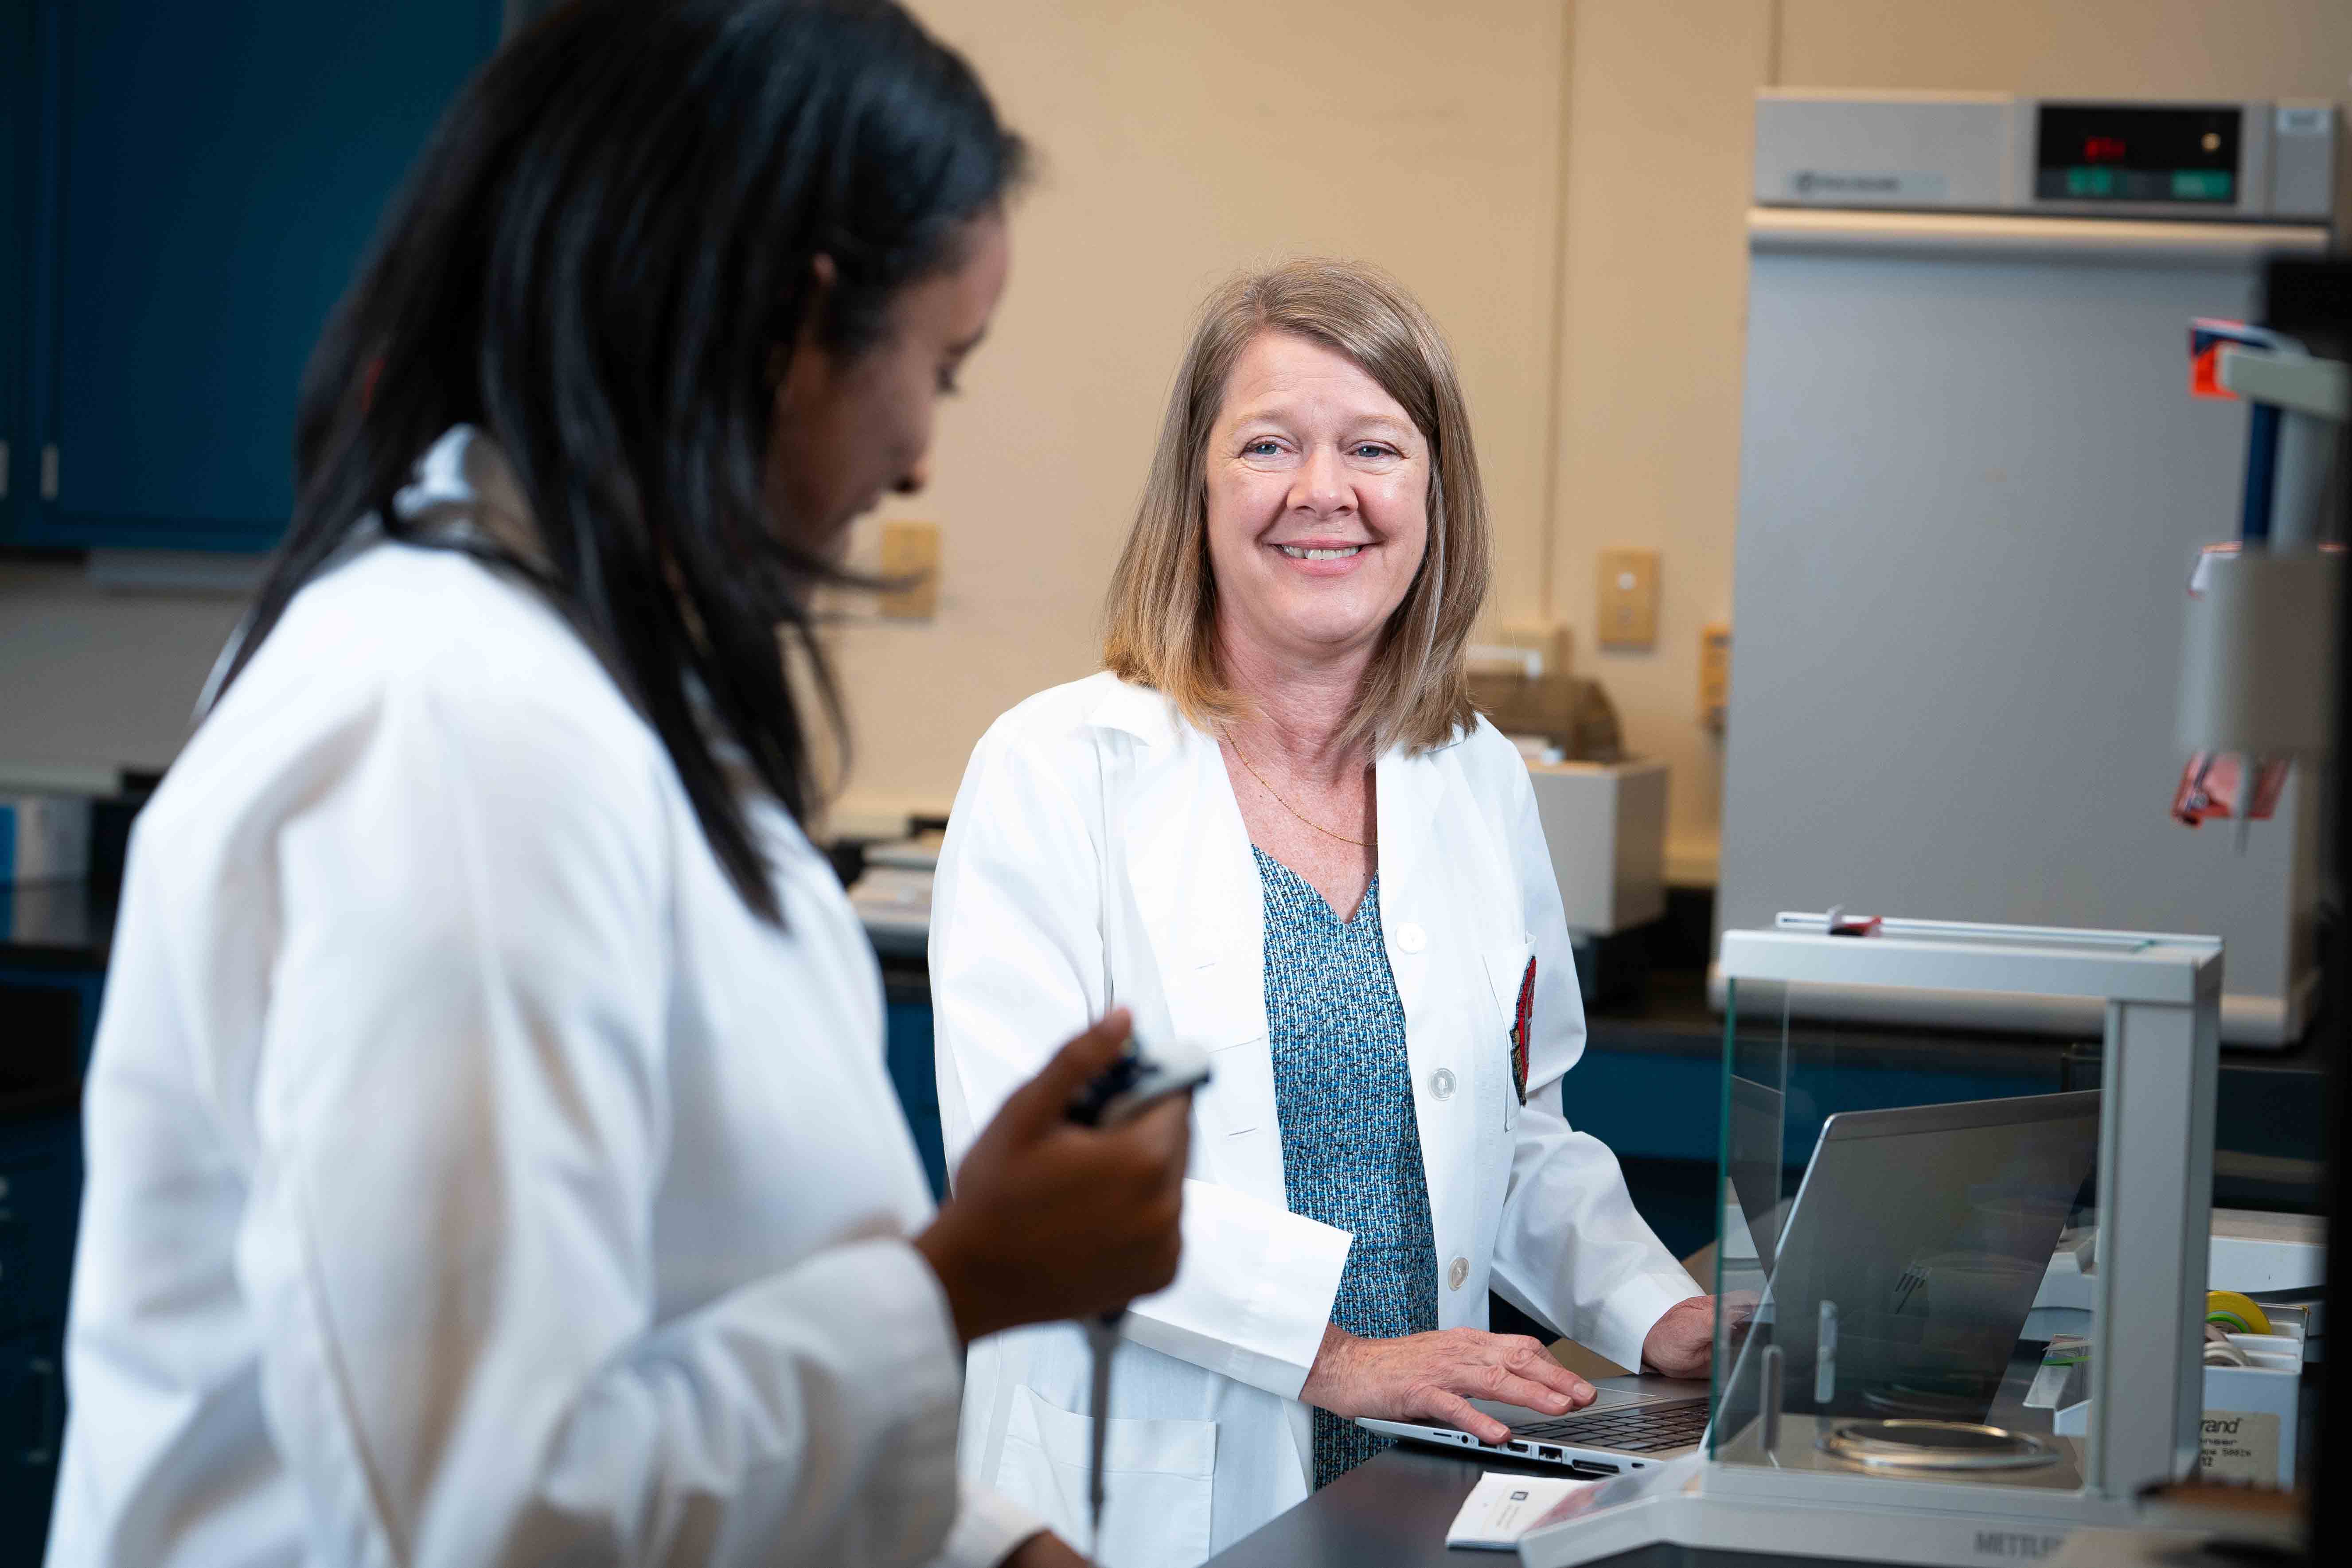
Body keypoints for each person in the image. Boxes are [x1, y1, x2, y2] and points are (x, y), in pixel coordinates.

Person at [46, 5, 1188, 1565]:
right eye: (945, 365)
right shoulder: (452, 727)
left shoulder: (601, 687)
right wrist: (959, 1285)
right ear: (794, 324)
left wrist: (979, 1542)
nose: (922, 458)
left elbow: (700, 1313)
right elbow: (491, 1514)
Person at [928, 258, 1715, 1566]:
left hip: (1426, 1476)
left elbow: (1513, 1135)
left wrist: (1658, 1311)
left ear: (1432, 494)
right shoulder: (1055, 769)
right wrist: (1340, 1354)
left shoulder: (1474, 777)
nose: (1323, 492)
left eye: (1372, 446)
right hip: (1152, 1488)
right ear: (1196, 487)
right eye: (1268, 445)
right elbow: (1043, 1181)